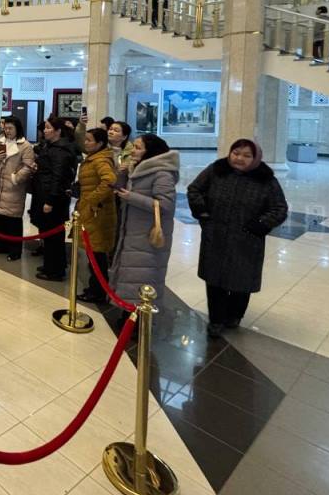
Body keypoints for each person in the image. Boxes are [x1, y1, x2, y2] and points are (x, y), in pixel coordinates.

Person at [187, 139, 288, 338]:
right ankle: (216, 319)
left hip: (246, 241)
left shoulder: (265, 180)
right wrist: (203, 212)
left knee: (241, 281)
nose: (239, 158)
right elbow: (194, 189)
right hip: (216, 236)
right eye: (236, 153)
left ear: (255, 158)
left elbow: (280, 208)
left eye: (246, 155)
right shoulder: (216, 170)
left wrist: (260, 225)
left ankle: (234, 315)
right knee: (214, 280)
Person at [109, 134, 179, 312]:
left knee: (143, 275)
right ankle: (129, 313)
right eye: (134, 146)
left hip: (147, 235)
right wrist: (122, 172)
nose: (133, 150)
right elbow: (119, 188)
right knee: (130, 274)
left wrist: (131, 197)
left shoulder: (162, 173)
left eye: (138, 148)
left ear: (151, 151)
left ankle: (140, 317)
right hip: (132, 231)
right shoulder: (137, 167)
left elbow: (166, 205)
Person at [29, 117, 77, 281]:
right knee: (47, 234)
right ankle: (50, 264)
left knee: (53, 236)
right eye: (45, 128)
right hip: (44, 192)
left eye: (49, 128)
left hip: (52, 197)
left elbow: (58, 177)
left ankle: (55, 270)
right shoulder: (50, 146)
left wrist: (50, 200)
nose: (45, 131)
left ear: (58, 131)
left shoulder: (61, 150)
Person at [75, 128, 118, 303]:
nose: (86, 143)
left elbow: (109, 180)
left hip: (97, 212)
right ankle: (96, 288)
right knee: (94, 253)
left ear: (99, 143)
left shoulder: (101, 160)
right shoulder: (94, 157)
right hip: (91, 210)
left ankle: (97, 292)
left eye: (89, 140)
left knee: (97, 254)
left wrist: (92, 199)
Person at [0, 116, 35, 261]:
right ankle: (1, 246)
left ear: (17, 129)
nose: (7, 131)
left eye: (10, 128)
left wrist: (16, 178)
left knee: (13, 219)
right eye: (5, 128)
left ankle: (15, 251)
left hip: (15, 187)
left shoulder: (25, 146)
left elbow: (28, 166)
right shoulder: (1, 141)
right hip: (0, 184)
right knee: (0, 217)